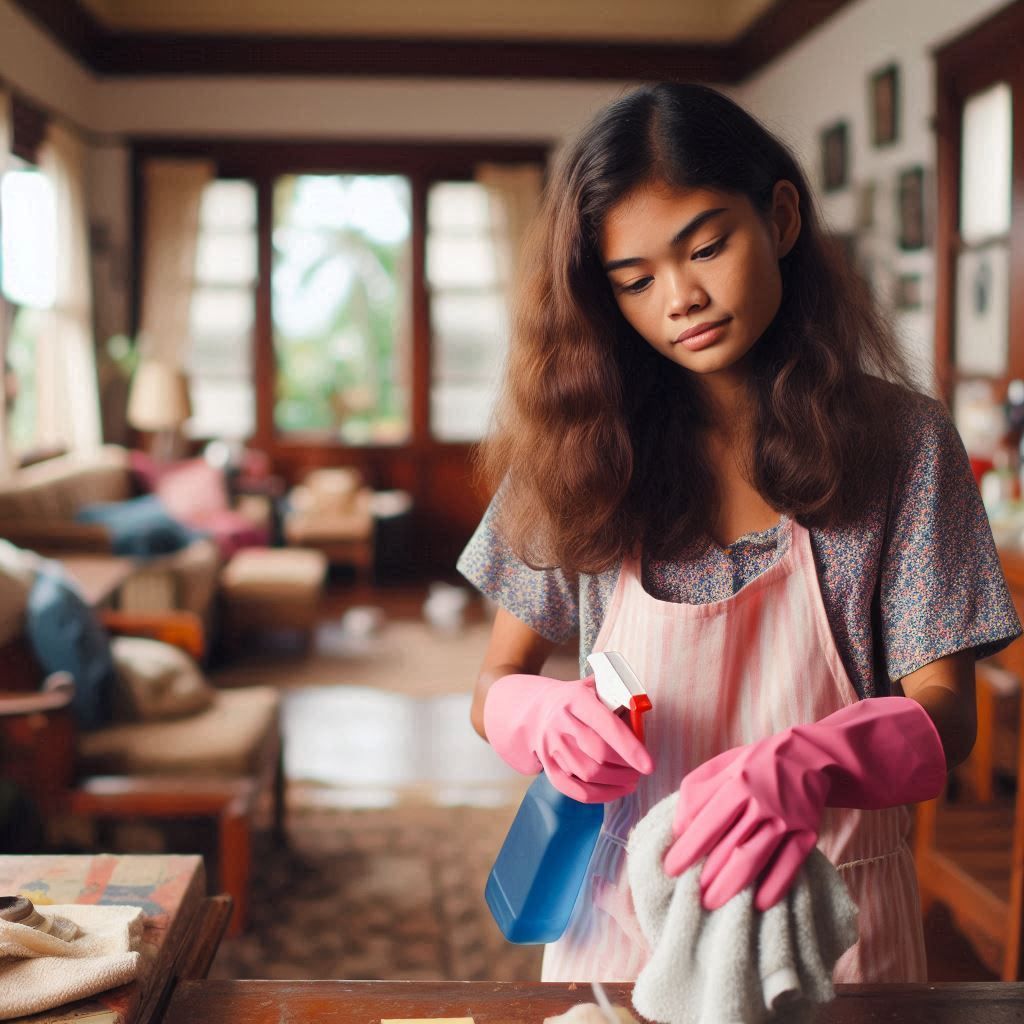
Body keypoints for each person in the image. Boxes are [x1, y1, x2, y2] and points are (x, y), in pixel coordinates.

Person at [457, 82, 1022, 985]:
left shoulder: (904, 443)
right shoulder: (577, 449)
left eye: (707, 247)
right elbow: (494, 686)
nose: (680, 297)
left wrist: (819, 760)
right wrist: (540, 716)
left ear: (783, 217)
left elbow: (945, 717)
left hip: (829, 933)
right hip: (624, 926)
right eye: (634, 281)